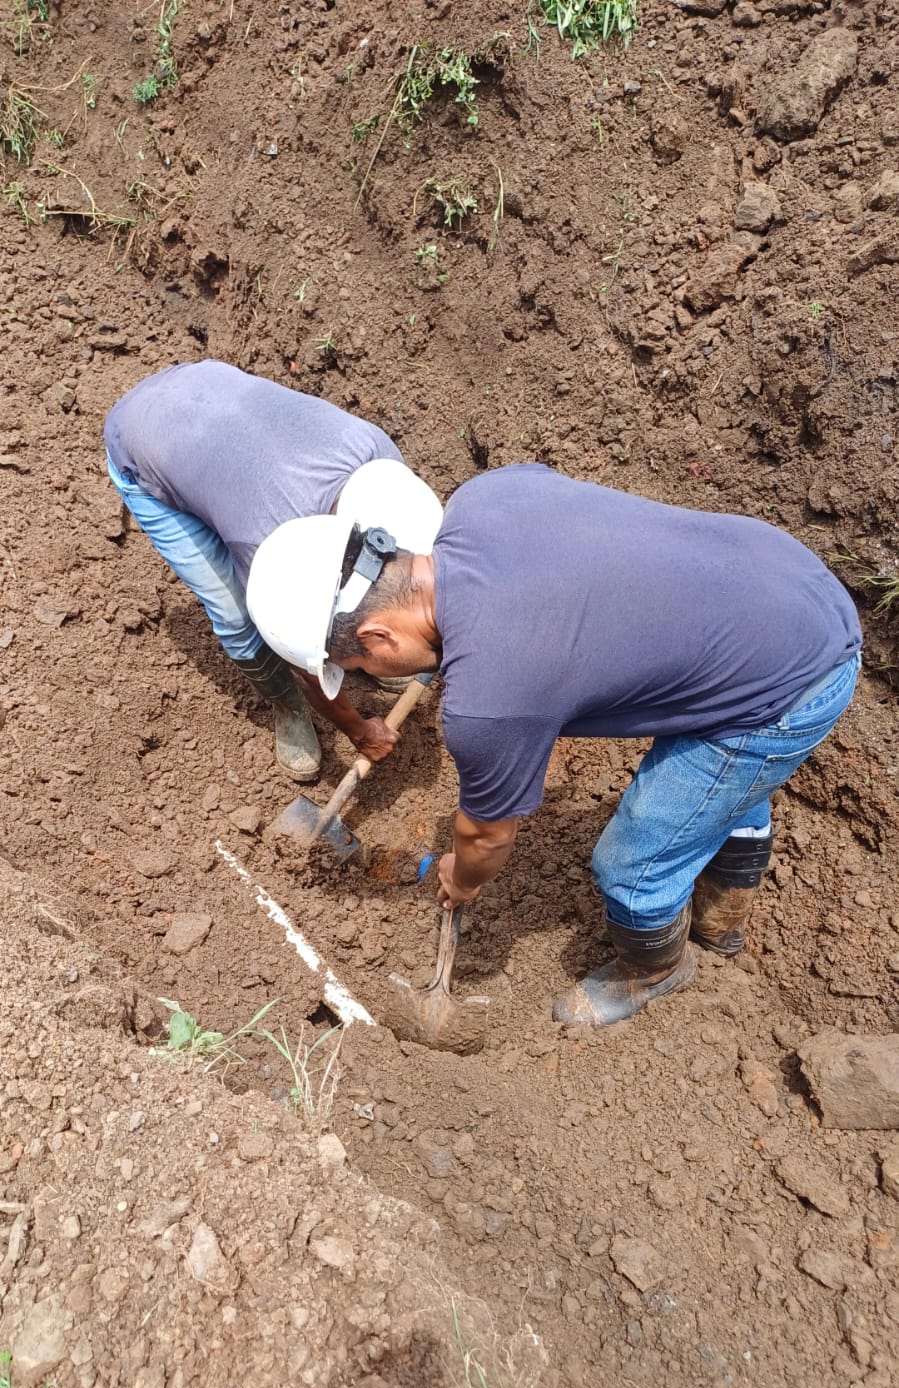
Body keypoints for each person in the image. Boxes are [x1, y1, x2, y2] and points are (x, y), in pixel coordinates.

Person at [246, 462, 862, 1027]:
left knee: (631, 866)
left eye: (359, 667)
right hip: (780, 582)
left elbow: (488, 838)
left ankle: (654, 970)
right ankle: (722, 917)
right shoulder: (486, 498)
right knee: (725, 791)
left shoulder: (490, 704)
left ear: (379, 636)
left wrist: (462, 875)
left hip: (791, 687)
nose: (369, 677)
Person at [103, 360, 442, 781]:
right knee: (234, 614)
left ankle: (371, 656)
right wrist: (359, 731)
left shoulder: (381, 466)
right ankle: (289, 708)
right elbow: (298, 649)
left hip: (213, 397)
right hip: (143, 441)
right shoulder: (270, 549)